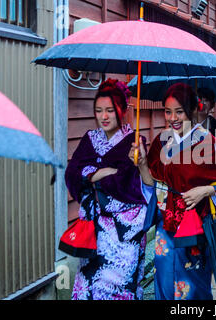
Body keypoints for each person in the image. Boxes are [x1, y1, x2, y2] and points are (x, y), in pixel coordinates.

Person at [131, 83, 216, 300]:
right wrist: (142, 164)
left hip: (194, 227)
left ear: (191, 110)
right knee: (163, 281)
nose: (173, 118)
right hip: (166, 225)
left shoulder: (211, 144)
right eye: (168, 111)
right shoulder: (161, 142)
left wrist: (206, 190)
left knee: (192, 287)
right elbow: (153, 184)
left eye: (179, 111)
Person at [65, 78, 154, 300]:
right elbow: (72, 174)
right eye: (98, 110)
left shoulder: (134, 142)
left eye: (109, 110)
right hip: (93, 231)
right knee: (89, 286)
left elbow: (129, 184)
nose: (103, 117)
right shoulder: (89, 139)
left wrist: (91, 175)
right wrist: (102, 173)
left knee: (118, 287)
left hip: (125, 231)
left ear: (122, 110)